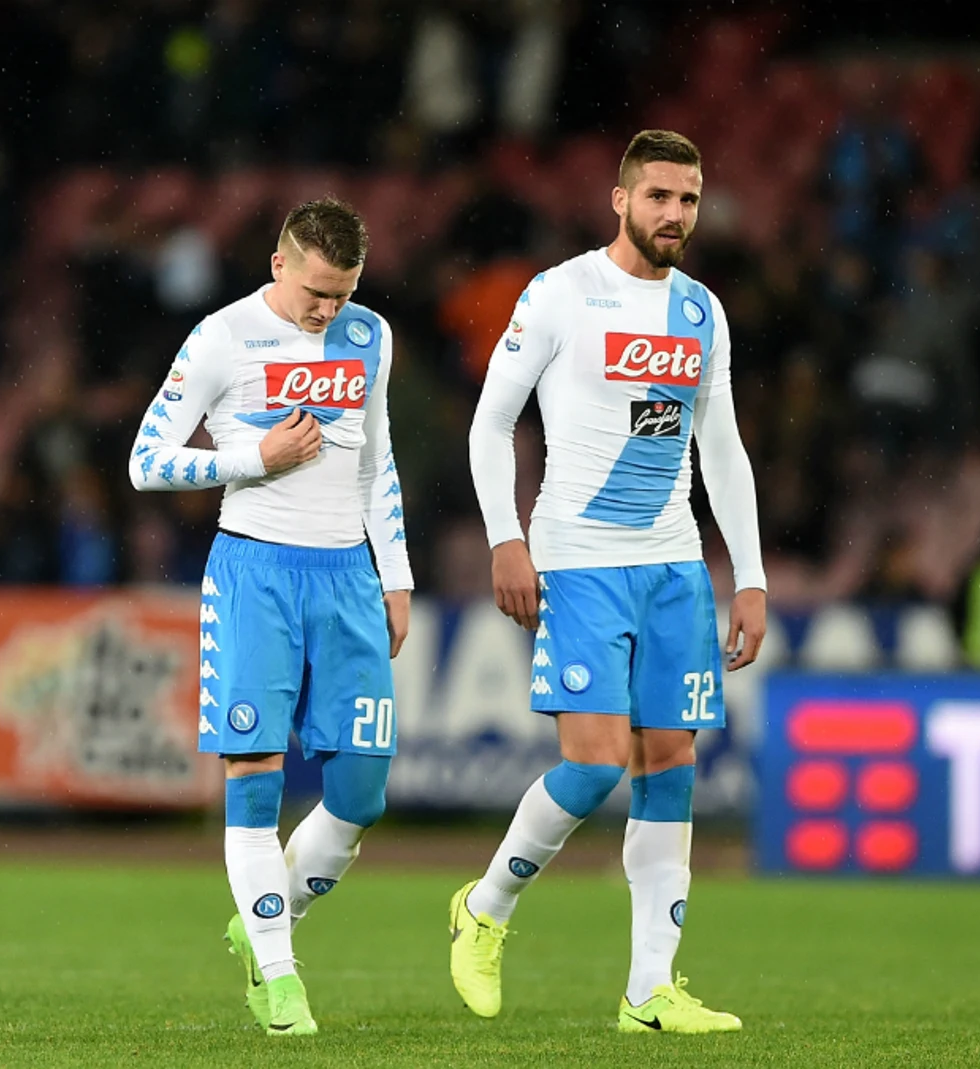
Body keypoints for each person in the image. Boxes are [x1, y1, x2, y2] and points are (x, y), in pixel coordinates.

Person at [454, 130, 766, 1034]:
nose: (676, 213)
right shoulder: (560, 295)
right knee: (592, 766)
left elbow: (723, 446)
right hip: (578, 558)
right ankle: (486, 907)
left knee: (670, 763)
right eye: (660, 195)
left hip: (672, 564)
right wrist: (506, 540)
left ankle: (649, 993)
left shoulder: (703, 311)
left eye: (690, 198)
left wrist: (747, 575)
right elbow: (489, 426)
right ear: (620, 200)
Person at [127, 198, 413, 1037]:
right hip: (255, 570)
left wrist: (392, 572)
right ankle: (279, 975)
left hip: (349, 577)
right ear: (279, 263)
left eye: (345, 292)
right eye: (318, 291)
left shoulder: (370, 337)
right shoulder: (222, 337)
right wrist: (255, 457)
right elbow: (146, 460)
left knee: (361, 792)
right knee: (254, 779)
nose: (330, 310)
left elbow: (378, 456)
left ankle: (262, 918)